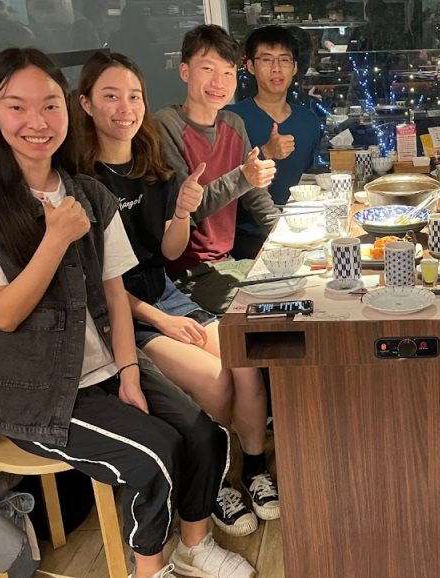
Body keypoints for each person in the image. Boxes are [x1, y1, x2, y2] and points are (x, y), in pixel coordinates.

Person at [0, 47, 255, 578]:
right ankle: (151, 569)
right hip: (35, 390)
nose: (37, 121)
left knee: (206, 433)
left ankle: (195, 548)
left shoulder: (89, 195)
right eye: (17, 107)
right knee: (154, 457)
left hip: (106, 368)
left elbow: (114, 294)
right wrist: (55, 238)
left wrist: (130, 372)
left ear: (66, 109)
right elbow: (3, 315)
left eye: (49, 105)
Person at [75, 50, 279, 538]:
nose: (125, 108)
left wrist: (184, 210)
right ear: (85, 104)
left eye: (134, 96)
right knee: (215, 380)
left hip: (162, 290)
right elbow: (97, 284)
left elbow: (167, 250)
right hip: (123, 314)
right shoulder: (81, 181)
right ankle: (218, 482)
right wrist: (161, 320)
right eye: (110, 96)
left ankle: (254, 469)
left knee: (245, 362)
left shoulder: (149, 165)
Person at [155, 24, 277, 315]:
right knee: (270, 308)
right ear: (185, 71)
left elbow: (255, 197)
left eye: (228, 72)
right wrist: (242, 177)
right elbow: (187, 211)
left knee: (301, 285)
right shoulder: (164, 126)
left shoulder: (232, 124)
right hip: (186, 274)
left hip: (227, 262)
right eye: (207, 69)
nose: (218, 82)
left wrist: (286, 236)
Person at [226, 25, 323, 259]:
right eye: (267, 60)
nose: (276, 69)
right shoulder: (231, 119)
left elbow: (310, 177)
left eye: (284, 60)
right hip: (246, 240)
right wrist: (265, 152)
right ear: (250, 66)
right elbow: (222, 186)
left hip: (302, 231)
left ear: (295, 67)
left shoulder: (308, 121)